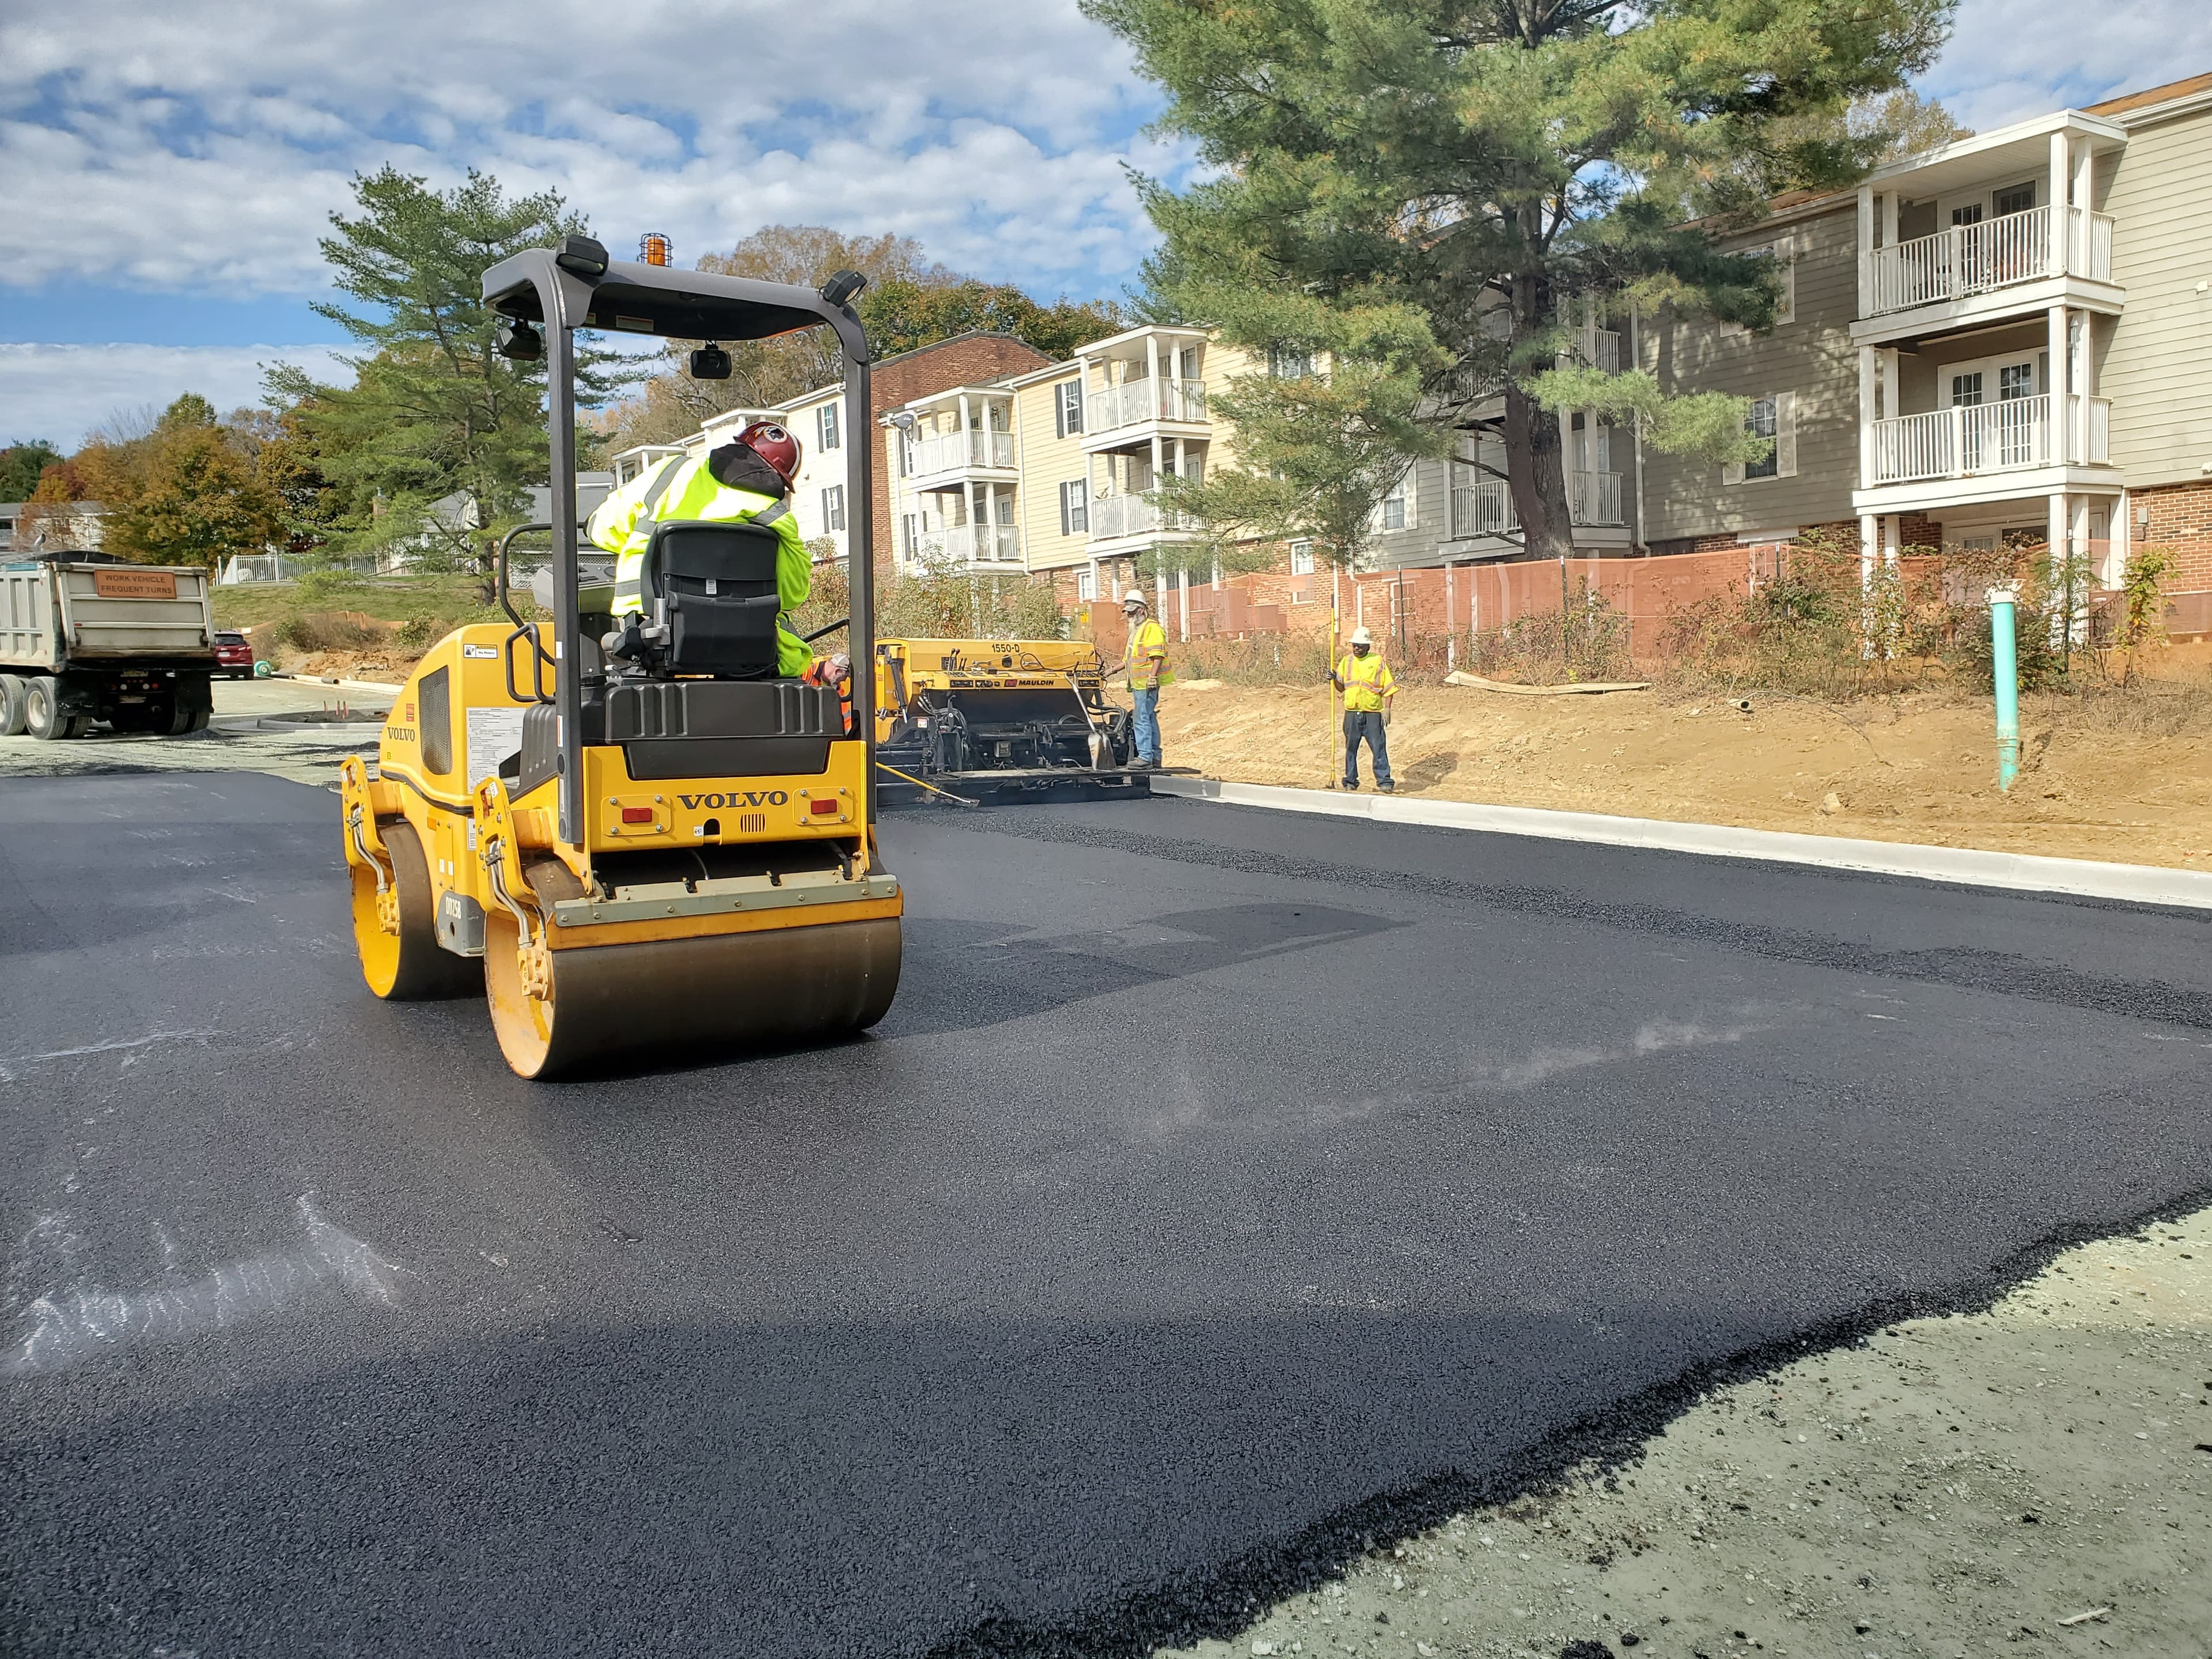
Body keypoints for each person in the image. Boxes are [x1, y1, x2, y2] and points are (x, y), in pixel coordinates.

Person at [586, 420, 812, 677]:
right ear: (780, 480)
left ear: (737, 446)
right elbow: (793, 594)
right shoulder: (776, 517)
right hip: (747, 646)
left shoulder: (669, 472)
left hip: (647, 633)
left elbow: (602, 530)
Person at [1329, 624, 1396, 791]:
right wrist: (1334, 679)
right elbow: (1341, 687)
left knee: (1378, 748)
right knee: (1351, 749)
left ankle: (1384, 782)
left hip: (1372, 713)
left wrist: (1387, 709)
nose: (1356, 648)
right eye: (1354, 645)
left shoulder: (1377, 661)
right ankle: (1351, 781)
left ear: (1368, 646)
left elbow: (1389, 688)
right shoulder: (1347, 661)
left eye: (1360, 645)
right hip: (1352, 712)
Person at [1116, 592, 1172, 768]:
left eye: (1132, 612)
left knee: (1141, 718)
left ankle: (1146, 757)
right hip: (1139, 685)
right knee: (1149, 717)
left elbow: (1157, 655)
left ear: (1141, 610)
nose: (1129, 616)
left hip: (1147, 684)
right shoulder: (1137, 631)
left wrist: (1153, 677)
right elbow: (1128, 660)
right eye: (1128, 613)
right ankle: (1154, 757)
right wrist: (1109, 671)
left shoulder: (1151, 628)